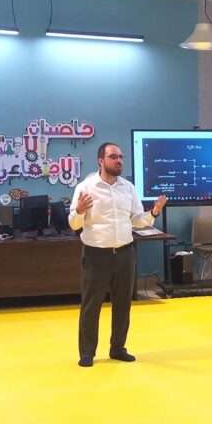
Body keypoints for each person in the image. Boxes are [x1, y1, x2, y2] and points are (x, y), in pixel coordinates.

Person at [69, 142, 167, 367]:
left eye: (120, 157)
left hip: (124, 253)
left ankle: (118, 348)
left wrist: (153, 212)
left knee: (123, 304)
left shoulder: (128, 188)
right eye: (113, 156)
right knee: (91, 305)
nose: (119, 160)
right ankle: (87, 352)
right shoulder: (86, 187)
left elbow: (137, 220)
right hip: (96, 254)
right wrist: (80, 210)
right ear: (100, 161)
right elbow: (74, 224)